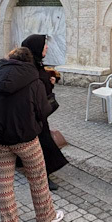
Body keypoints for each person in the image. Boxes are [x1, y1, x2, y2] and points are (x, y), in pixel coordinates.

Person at [0, 46, 64, 222]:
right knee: (38, 179)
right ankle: (45, 217)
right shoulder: (34, 83)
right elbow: (43, 111)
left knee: (4, 182)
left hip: (0, 141)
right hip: (27, 141)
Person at [20, 34, 68, 191]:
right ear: (36, 48)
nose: (46, 47)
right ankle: (43, 177)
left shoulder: (37, 64)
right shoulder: (30, 68)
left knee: (39, 144)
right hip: (33, 115)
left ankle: (28, 165)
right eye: (43, 45)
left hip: (38, 114)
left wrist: (50, 82)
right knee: (43, 145)